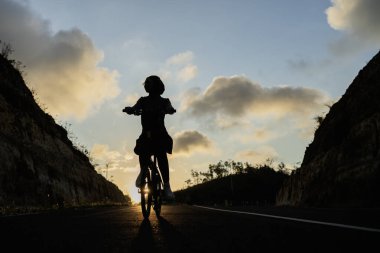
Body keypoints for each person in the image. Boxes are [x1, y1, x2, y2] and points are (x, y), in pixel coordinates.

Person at [123, 75, 176, 200]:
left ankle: (167, 186)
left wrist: (170, 110)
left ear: (157, 86)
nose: (148, 86)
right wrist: (130, 110)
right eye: (147, 84)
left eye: (150, 83)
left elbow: (169, 108)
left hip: (160, 134)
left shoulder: (165, 101)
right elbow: (135, 108)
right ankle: (143, 172)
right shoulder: (142, 101)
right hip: (146, 134)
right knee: (142, 150)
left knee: (162, 155)